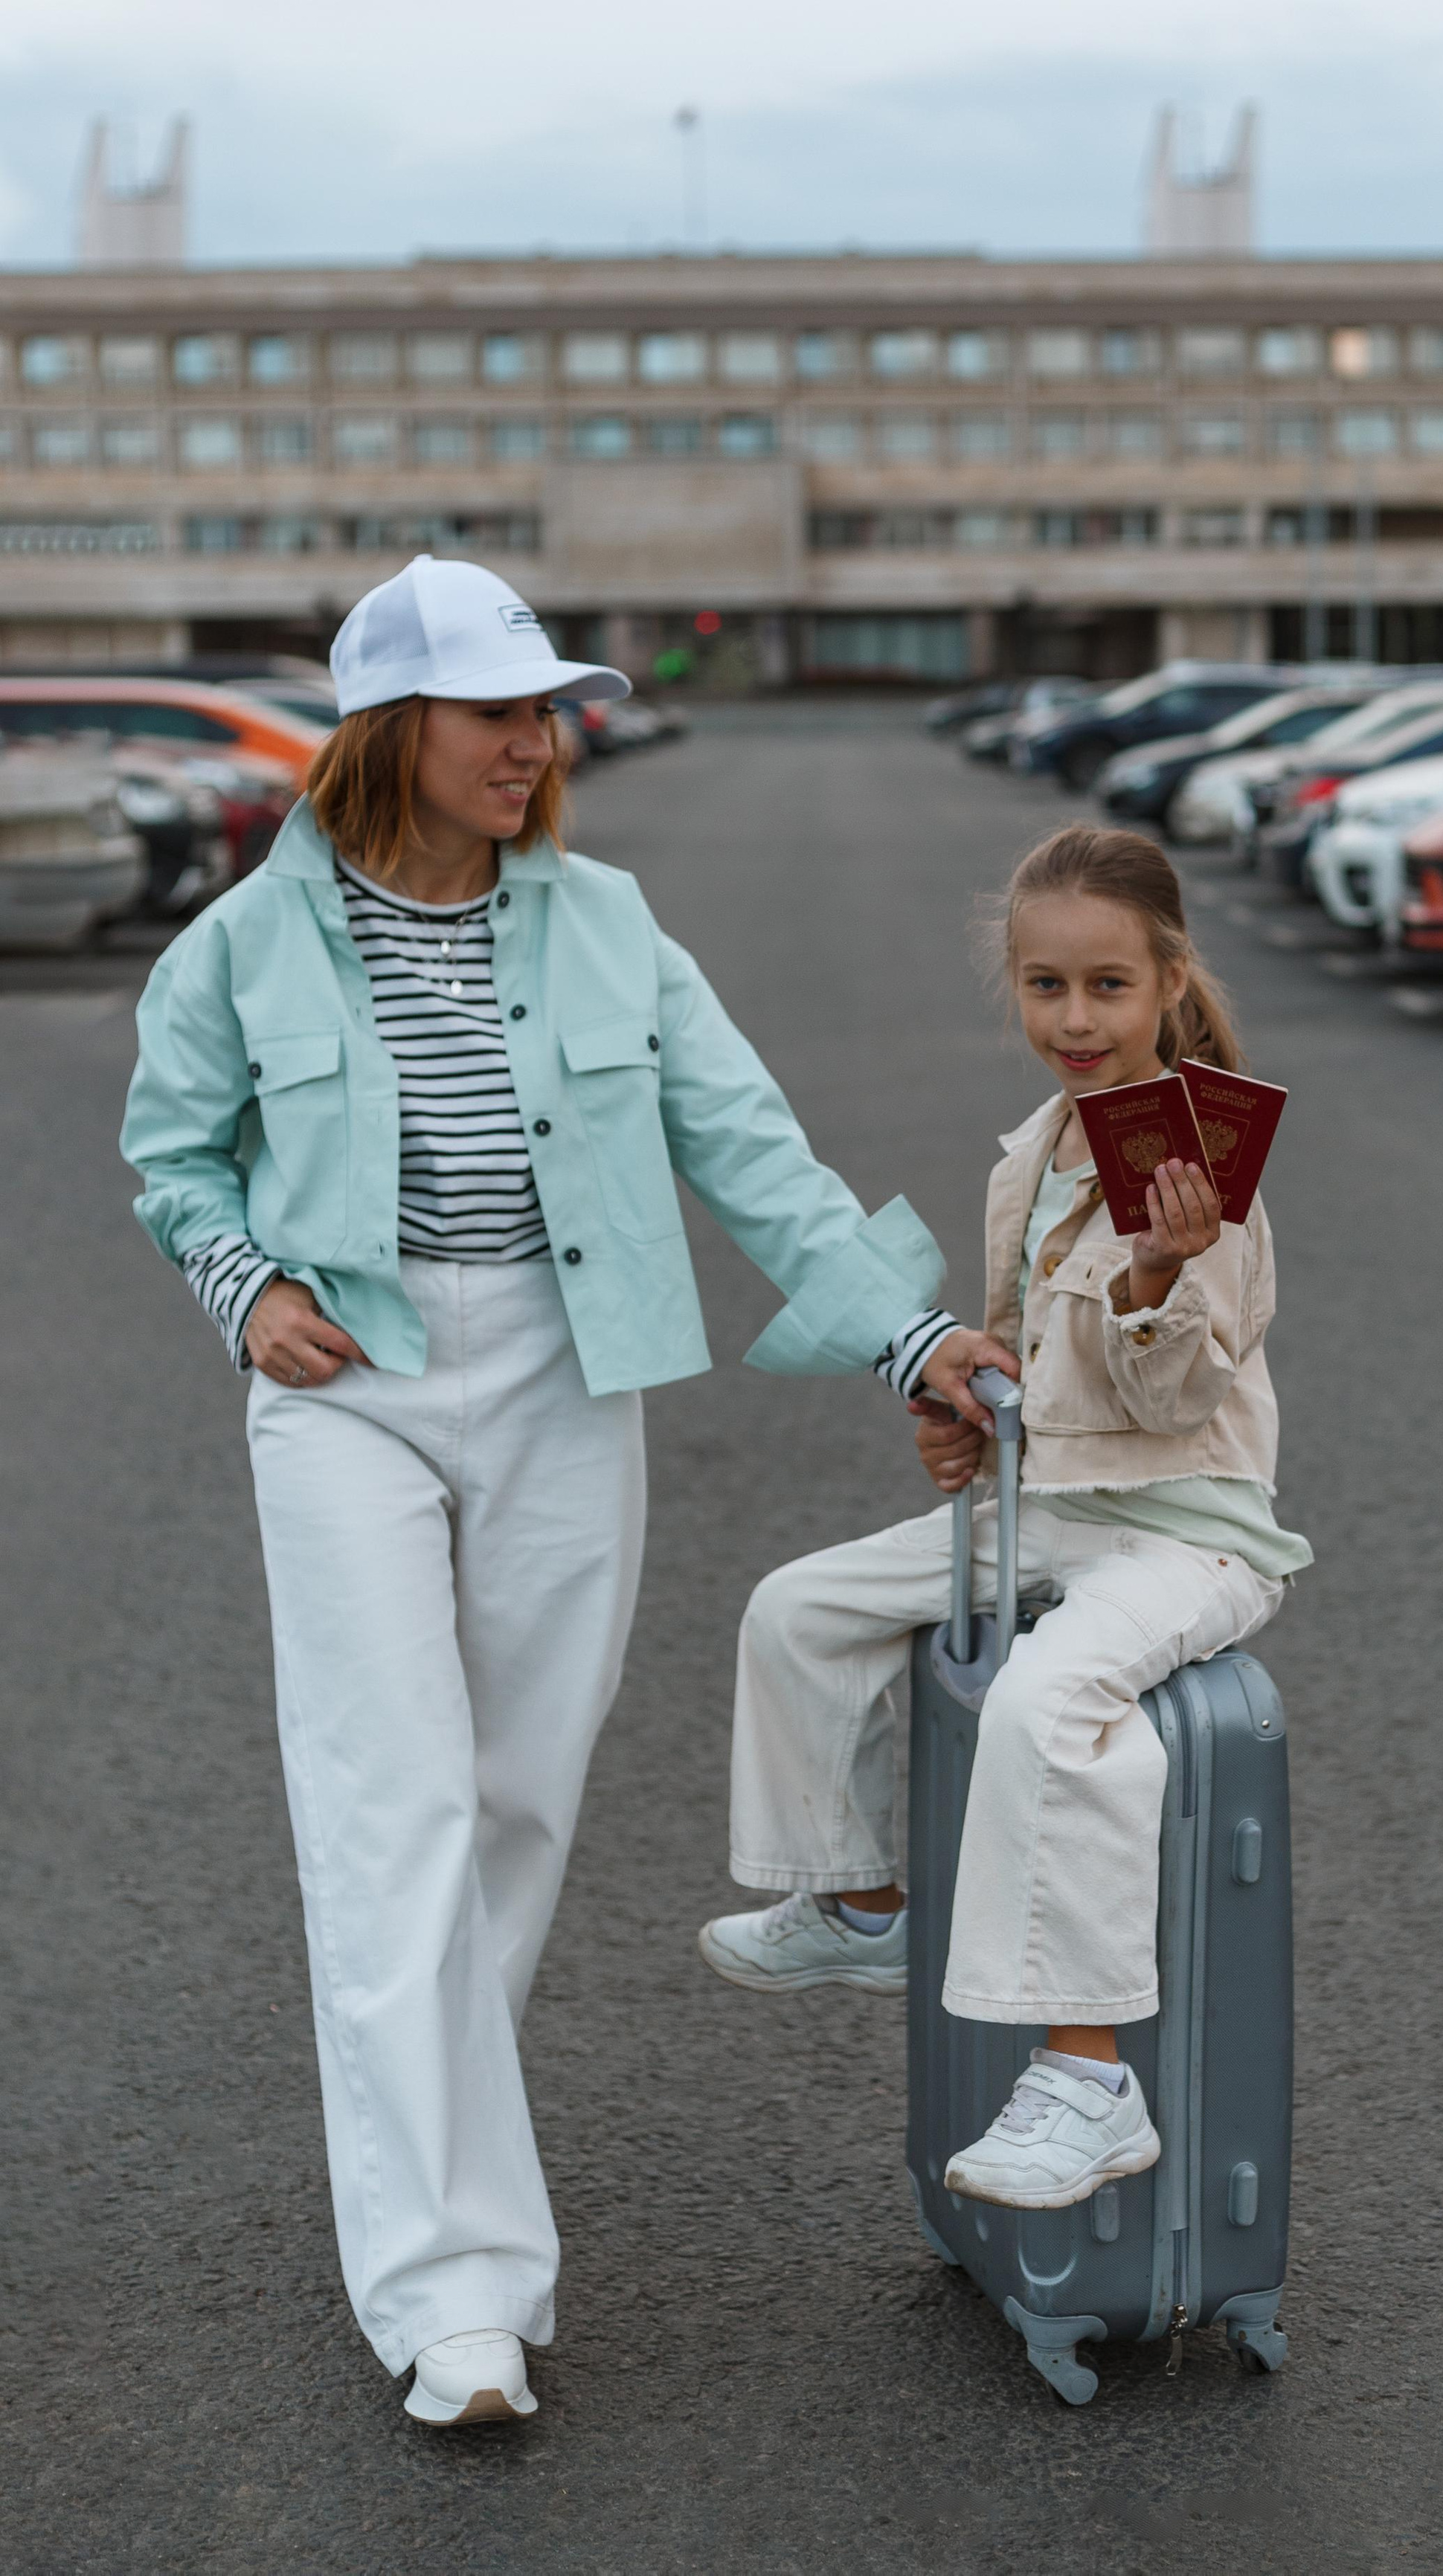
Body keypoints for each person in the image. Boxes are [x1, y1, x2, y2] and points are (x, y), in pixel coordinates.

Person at [119, 556, 1003, 2427]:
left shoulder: (606, 924)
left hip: (560, 1369)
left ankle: (431, 2157)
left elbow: (748, 1149)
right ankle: (458, 2296)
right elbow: (173, 1161)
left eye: (546, 710)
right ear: (391, 729)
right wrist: (246, 1289)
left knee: (517, 1807)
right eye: (499, 711)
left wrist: (909, 1337)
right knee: (394, 1815)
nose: (537, 742)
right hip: (344, 1386)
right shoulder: (243, 944)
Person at [700, 822, 1313, 2208]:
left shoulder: (1206, 1168)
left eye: (1108, 986)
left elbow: (1174, 1400)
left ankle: (1090, 2081)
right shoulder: (1035, 1153)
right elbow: (1039, 1364)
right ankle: (862, 1905)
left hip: (1191, 1532)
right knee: (800, 1610)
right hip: (1055, 1508)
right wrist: (973, 1416)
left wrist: (1159, 1276)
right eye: (1046, 986)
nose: (1075, 1019)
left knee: (1049, 1703)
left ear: (1168, 982)